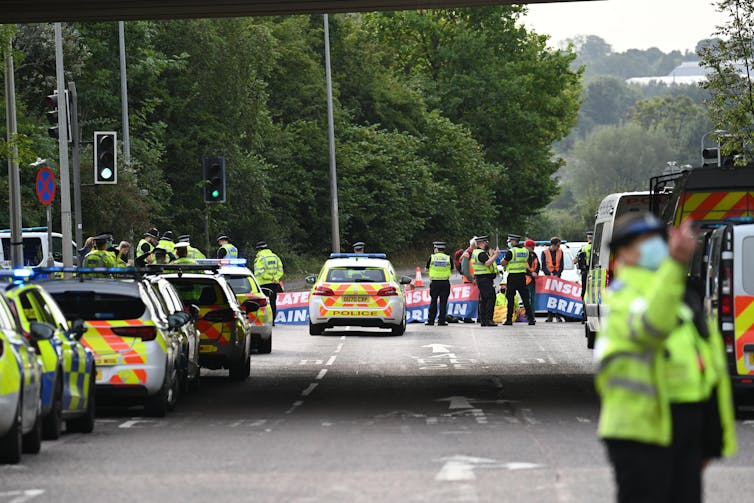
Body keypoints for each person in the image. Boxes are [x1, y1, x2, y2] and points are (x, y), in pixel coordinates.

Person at [595, 213, 736, 503]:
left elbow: (708, 368)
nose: (655, 247)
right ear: (623, 252)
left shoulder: (681, 294)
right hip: (641, 431)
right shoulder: (622, 295)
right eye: (645, 241)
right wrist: (674, 265)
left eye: (658, 239)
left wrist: (711, 438)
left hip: (685, 427)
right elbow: (652, 326)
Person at [501, 234, 536, 326]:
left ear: (513, 241)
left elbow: (504, 262)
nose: (509, 243)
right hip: (522, 277)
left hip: (512, 277)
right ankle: (531, 319)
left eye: (510, 241)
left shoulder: (511, 251)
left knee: (510, 299)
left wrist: (503, 262)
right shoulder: (525, 251)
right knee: (525, 299)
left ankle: (509, 319)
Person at [471, 236, 499, 327]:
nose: (487, 244)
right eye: (485, 243)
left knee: (484, 300)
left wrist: (491, 255)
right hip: (484, 279)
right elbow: (487, 263)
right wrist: (495, 255)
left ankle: (483, 320)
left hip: (482, 279)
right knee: (491, 298)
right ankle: (488, 320)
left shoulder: (478, 252)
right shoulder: (481, 253)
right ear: (482, 243)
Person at [253, 241, 284, 323]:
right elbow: (280, 270)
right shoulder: (275, 257)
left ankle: (264, 320)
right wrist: (275, 278)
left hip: (263, 284)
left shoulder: (260, 258)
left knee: (263, 304)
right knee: (273, 302)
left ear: (259, 250)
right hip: (274, 283)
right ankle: (273, 321)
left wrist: (269, 278)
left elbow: (259, 272)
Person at [425, 241, 452, 326]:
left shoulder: (432, 257)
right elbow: (452, 270)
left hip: (435, 282)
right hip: (445, 282)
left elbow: (426, 269)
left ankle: (431, 320)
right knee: (443, 302)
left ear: (436, 248)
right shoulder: (448, 258)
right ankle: (441, 321)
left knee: (433, 301)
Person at [541, 237, 565, 322]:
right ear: (553, 245)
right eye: (558, 245)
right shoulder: (544, 252)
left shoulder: (560, 252)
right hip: (549, 277)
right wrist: (549, 274)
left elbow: (561, 265)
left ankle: (558, 316)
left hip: (557, 277)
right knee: (549, 297)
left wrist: (557, 274)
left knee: (558, 296)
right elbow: (543, 266)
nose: (559, 247)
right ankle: (550, 316)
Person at [576, 231, 594, 324]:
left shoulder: (583, 248)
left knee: (584, 293)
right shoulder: (597, 248)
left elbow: (575, 261)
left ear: (588, 238)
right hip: (595, 272)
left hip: (585, 273)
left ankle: (584, 315)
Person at [525, 239, 540, 313]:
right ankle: (528, 314)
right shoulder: (524, 255)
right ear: (527, 247)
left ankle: (532, 314)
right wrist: (531, 274)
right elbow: (522, 267)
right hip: (526, 280)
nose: (533, 248)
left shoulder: (534, 255)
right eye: (532, 246)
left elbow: (538, 265)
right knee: (527, 298)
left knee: (533, 298)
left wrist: (536, 272)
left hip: (533, 280)